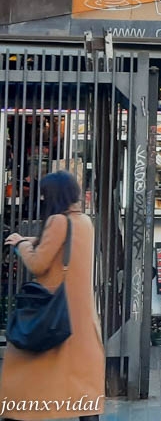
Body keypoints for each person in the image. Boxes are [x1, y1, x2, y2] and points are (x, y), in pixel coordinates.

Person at [1, 170, 105, 421]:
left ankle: (16, 412)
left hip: (53, 309)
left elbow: (38, 264)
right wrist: (32, 238)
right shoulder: (84, 222)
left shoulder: (57, 221)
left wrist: (19, 244)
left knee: (23, 363)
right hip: (80, 315)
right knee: (81, 378)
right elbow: (62, 242)